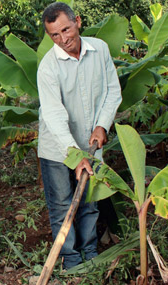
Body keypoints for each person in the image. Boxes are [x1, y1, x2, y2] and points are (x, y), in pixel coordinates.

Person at [37, 2, 122, 269]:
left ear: (78, 22)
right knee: (63, 205)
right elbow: (54, 117)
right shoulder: (48, 67)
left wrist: (102, 125)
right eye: (55, 35)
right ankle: (72, 262)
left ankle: (90, 255)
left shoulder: (100, 50)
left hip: (92, 144)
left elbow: (112, 92)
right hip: (57, 148)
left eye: (66, 30)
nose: (63, 39)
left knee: (89, 202)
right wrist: (76, 157)